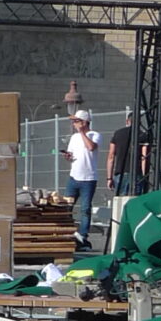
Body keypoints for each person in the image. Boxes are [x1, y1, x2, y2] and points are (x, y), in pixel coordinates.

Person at [66, 106, 100, 248]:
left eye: (76, 121)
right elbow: (71, 153)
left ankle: (83, 236)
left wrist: (82, 133)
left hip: (88, 178)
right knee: (67, 206)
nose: (74, 124)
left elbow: (91, 147)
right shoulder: (73, 138)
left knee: (85, 209)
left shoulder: (94, 135)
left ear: (84, 122)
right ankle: (67, 232)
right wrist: (68, 156)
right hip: (74, 177)